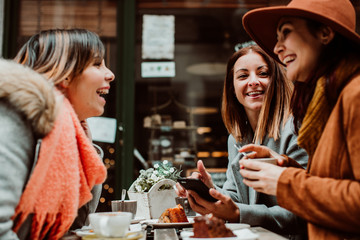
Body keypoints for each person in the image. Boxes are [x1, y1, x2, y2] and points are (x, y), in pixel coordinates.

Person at [239, 0, 360, 239]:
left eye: (286, 32)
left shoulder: (355, 94)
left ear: (325, 33)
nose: (277, 48)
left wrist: (286, 182)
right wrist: (284, 165)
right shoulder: (329, 100)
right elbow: (334, 184)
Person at [176, 44, 308, 238]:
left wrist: (239, 213)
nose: (253, 81)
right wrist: (209, 190)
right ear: (233, 88)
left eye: (262, 73)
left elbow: (303, 213)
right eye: (243, 76)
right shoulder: (236, 138)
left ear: (277, 81)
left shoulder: (296, 129)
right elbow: (236, 198)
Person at [0, 28, 114, 239]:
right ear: (66, 75)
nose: (110, 74)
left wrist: (87, 149)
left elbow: (79, 220)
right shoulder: (12, 118)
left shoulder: (66, 129)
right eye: (97, 64)